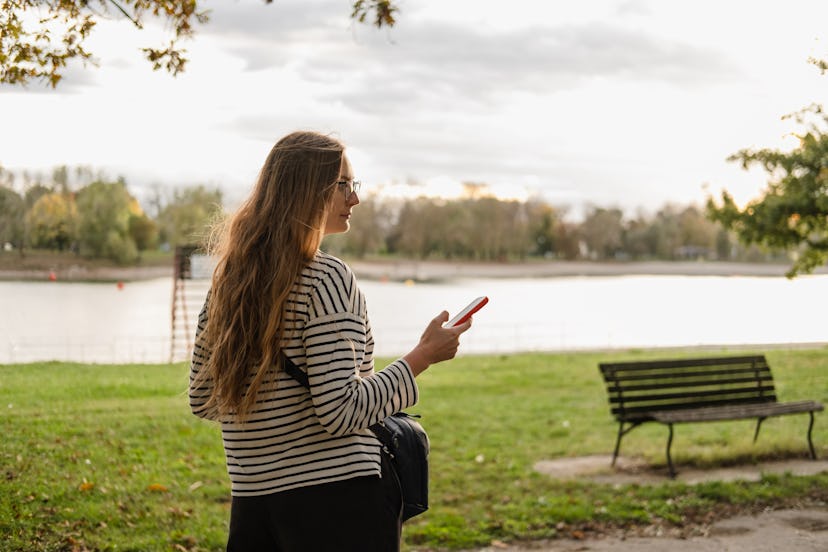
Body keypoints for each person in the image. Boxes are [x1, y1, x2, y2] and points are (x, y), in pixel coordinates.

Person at [188, 130, 472, 551]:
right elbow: (341, 412)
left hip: (253, 502)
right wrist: (421, 357)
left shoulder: (229, 283)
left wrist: (270, 419)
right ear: (306, 191)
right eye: (344, 185)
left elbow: (202, 397)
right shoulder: (327, 277)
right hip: (336, 504)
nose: (354, 198)